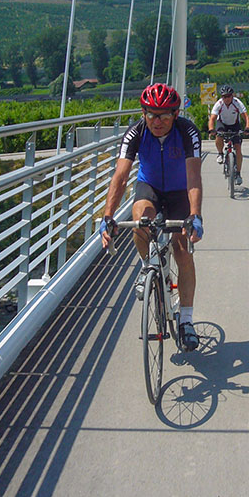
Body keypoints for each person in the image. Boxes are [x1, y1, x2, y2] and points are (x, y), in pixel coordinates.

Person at [100, 83, 203, 352]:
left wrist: (195, 215)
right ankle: (149, 266)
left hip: (180, 190)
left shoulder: (187, 131)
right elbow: (121, 177)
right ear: (143, 113)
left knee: (183, 250)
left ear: (176, 114)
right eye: (151, 114)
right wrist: (108, 216)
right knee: (140, 219)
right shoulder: (135, 133)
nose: (157, 121)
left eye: (165, 115)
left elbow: (193, 177)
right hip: (150, 187)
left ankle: (187, 322)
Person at [208, 84, 249, 184]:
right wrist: (211, 129)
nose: (226, 98)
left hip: (235, 125)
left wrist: (247, 128)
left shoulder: (237, 103)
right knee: (219, 135)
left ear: (232, 96)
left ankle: (238, 174)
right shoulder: (219, 104)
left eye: (228, 96)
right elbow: (212, 118)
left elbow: (246, 117)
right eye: (224, 96)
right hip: (222, 123)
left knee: (238, 149)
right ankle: (220, 153)